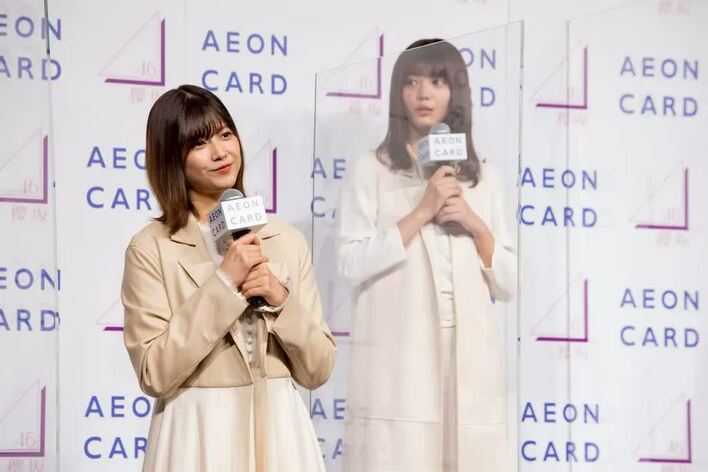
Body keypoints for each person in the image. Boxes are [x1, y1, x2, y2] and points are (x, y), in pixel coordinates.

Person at [121, 84, 336, 472]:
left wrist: (280, 300)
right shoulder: (151, 248)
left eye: (225, 135)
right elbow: (154, 371)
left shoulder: (285, 240)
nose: (220, 152)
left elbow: (318, 368)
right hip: (198, 432)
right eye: (200, 143)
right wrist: (224, 284)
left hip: (280, 429)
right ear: (171, 157)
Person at [338, 39, 516, 471]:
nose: (423, 94)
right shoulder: (372, 168)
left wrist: (475, 224)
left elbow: (509, 282)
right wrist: (421, 212)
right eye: (412, 82)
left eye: (437, 82)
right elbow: (349, 263)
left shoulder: (483, 177)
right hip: (401, 353)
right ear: (397, 92)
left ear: (456, 93)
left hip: (468, 353)